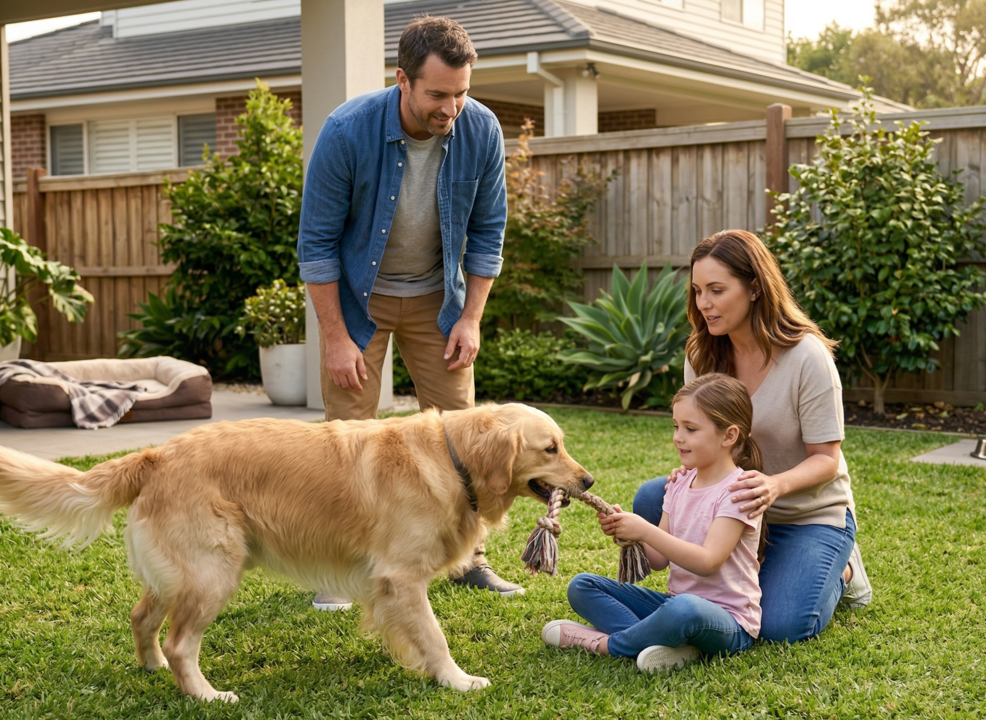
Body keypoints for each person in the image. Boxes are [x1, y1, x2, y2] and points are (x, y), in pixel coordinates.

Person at [297, 16, 520, 610]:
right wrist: (336, 339)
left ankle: (467, 560)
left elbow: (487, 231)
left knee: (460, 434)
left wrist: (470, 318)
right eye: (438, 94)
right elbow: (316, 244)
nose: (452, 106)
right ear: (403, 80)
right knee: (347, 441)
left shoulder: (481, 129)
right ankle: (341, 570)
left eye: (462, 92)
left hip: (437, 299)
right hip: (357, 301)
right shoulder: (347, 131)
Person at [632, 229, 871, 645]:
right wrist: (689, 476)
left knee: (780, 627)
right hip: (732, 508)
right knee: (652, 499)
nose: (704, 303)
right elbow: (701, 437)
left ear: (755, 288)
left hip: (804, 515)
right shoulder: (702, 354)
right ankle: (756, 568)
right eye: (698, 291)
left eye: (717, 290)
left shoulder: (806, 357)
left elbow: (826, 459)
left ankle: (846, 568)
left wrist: (773, 485)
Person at [542, 374, 764, 673]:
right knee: (583, 586)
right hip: (674, 606)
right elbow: (658, 561)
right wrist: (628, 533)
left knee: (684, 609)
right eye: (676, 426)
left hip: (729, 623)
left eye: (690, 429)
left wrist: (645, 529)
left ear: (729, 436)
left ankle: (607, 645)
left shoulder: (739, 492)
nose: (678, 437)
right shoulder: (679, 483)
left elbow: (709, 562)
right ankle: (667, 644)